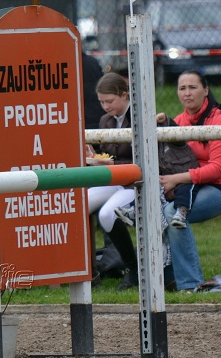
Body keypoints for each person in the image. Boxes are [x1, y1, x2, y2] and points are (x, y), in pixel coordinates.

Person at [156, 70, 221, 291]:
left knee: (171, 213)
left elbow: (216, 170)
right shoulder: (177, 121)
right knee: (155, 209)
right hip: (193, 186)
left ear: (206, 90)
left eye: (193, 87)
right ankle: (168, 279)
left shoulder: (219, 119)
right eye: (182, 88)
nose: (187, 93)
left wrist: (176, 179)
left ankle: (191, 285)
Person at [85, 72, 141, 290]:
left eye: (109, 101)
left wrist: (109, 164)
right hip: (114, 179)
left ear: (124, 95)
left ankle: (133, 269)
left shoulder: (138, 115)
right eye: (101, 102)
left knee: (107, 214)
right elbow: (105, 154)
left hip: (134, 180)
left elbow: (141, 160)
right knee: (76, 205)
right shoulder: (105, 120)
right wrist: (92, 156)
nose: (105, 106)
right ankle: (86, 269)